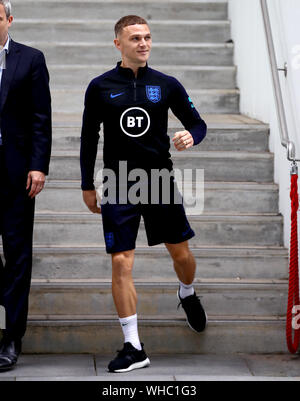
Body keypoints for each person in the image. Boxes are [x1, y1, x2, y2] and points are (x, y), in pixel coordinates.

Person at [80, 15, 207, 373]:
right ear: (117, 43)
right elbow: (89, 137)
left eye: (148, 37)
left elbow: (198, 123)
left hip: (159, 181)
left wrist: (191, 136)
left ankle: (187, 292)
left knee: (181, 254)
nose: (144, 43)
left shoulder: (166, 85)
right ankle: (133, 346)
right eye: (135, 38)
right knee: (121, 261)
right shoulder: (100, 86)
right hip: (119, 181)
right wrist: (87, 184)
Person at [0, 0, 52, 371]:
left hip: (16, 173)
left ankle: (11, 337)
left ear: (9, 20)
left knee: (17, 255)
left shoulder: (30, 59)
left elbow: (40, 117)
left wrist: (38, 166)